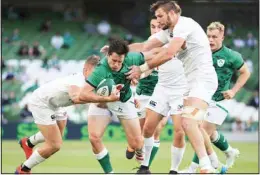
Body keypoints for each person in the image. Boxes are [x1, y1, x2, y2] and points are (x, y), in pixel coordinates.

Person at [126, 1, 218, 173]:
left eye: (161, 16)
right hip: (189, 85)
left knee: (187, 122)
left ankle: (206, 165)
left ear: (173, 13)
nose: (158, 20)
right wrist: (120, 51)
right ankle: (212, 163)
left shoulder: (185, 25)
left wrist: (141, 69)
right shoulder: (169, 32)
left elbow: (168, 54)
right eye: (156, 17)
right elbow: (145, 46)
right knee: (188, 123)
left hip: (203, 80)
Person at [15, 55, 119, 174]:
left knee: (57, 134)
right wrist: (105, 98)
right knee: (55, 144)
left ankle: (28, 143)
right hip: (42, 102)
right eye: (94, 73)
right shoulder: (78, 81)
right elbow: (76, 98)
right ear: (85, 69)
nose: (97, 77)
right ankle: (23, 169)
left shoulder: (93, 82)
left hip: (57, 104)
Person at [69, 38, 148, 174]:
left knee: (137, 143)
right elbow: (82, 95)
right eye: (113, 61)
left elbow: (153, 56)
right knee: (94, 137)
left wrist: (141, 71)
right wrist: (106, 98)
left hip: (123, 101)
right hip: (101, 103)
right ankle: (109, 172)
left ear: (125, 57)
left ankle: (135, 147)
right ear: (108, 56)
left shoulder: (132, 58)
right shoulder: (100, 70)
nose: (116, 64)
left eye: (119, 61)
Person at [182, 21, 250, 173]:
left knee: (202, 131)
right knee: (202, 131)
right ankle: (229, 151)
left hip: (220, 102)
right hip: (201, 99)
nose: (211, 40)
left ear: (222, 37)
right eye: (208, 36)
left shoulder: (231, 56)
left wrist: (233, 91)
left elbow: (246, 72)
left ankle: (194, 168)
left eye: (214, 37)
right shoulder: (200, 53)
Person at [128, 16, 187, 174]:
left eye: (159, 25)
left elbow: (165, 55)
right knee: (147, 128)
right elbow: (144, 52)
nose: (156, 29)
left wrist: (140, 71)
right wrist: (137, 74)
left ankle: (174, 170)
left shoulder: (182, 36)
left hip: (181, 90)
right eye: (153, 26)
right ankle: (144, 166)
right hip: (159, 89)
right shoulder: (153, 41)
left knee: (178, 130)